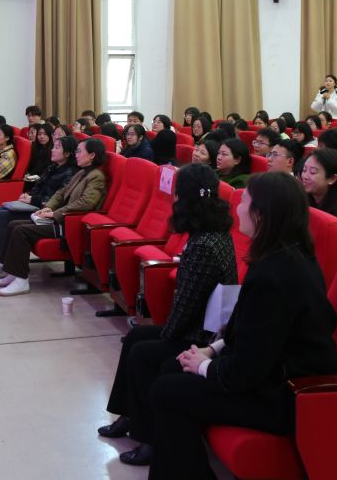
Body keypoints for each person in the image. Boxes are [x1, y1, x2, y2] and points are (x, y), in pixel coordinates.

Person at [148, 173, 337, 478]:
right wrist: (211, 351)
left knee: (167, 391)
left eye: (245, 202)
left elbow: (247, 370)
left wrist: (203, 367)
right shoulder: (286, 254)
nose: (237, 208)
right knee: (172, 368)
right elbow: (249, 329)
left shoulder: (273, 275)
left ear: (260, 214)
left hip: (286, 393)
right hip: (273, 371)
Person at [98, 164, 237, 465]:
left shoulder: (203, 245)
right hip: (200, 325)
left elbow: (186, 306)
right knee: (135, 336)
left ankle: (150, 438)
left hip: (203, 335)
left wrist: (166, 334)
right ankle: (129, 414)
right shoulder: (212, 230)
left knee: (144, 352)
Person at [0, 139, 109, 294]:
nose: (76, 155)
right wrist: (48, 207)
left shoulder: (96, 176)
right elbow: (61, 193)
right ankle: (12, 272)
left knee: (21, 231)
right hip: (62, 218)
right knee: (13, 225)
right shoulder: (81, 172)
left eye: (79, 151)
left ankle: (21, 280)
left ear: (92, 155)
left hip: (70, 224)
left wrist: (55, 213)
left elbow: (86, 203)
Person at [0, 136, 78, 273]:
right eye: (53, 146)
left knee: (1, 216)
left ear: (67, 153)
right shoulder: (53, 166)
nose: (52, 150)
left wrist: (33, 200)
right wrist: (28, 196)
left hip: (44, 210)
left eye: (57, 147)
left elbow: (58, 199)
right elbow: (38, 186)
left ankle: (0, 261)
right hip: (35, 204)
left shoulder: (71, 173)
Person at [300, 148, 337, 227]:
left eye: (313, 172)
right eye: (304, 170)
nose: (305, 176)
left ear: (332, 179)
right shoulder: (301, 201)